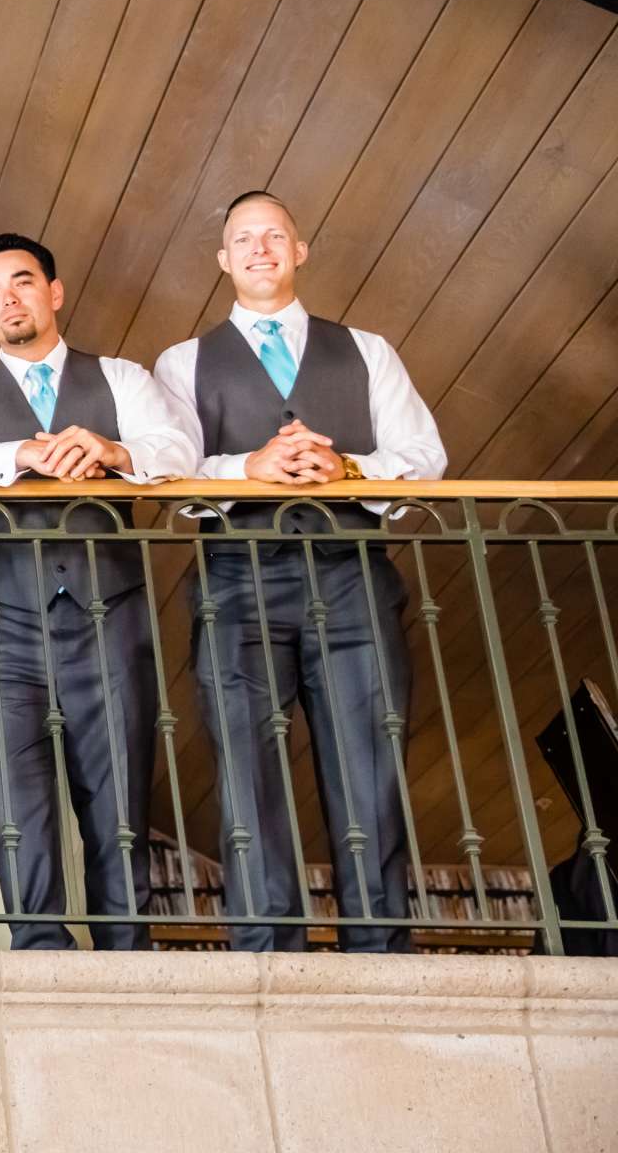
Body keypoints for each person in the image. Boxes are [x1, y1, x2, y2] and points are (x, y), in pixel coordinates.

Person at [153, 191, 447, 952]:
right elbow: (170, 474)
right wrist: (250, 467)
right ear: (224, 260)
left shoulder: (369, 351)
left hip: (352, 576)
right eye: (243, 239)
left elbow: (423, 460)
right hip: (236, 582)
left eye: (273, 236)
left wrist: (346, 465)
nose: (259, 248)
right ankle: (266, 949)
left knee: (369, 766)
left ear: (299, 249)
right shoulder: (182, 363)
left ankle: (379, 947)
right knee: (248, 768)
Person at [0, 232, 196, 949]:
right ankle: (40, 952)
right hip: (6, 623)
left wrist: (112, 450)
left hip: (112, 617)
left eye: (21, 282)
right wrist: (25, 453)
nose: (8, 299)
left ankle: (126, 955)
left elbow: (177, 451)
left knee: (120, 804)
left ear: (54, 292)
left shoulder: (124, 380)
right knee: (21, 804)